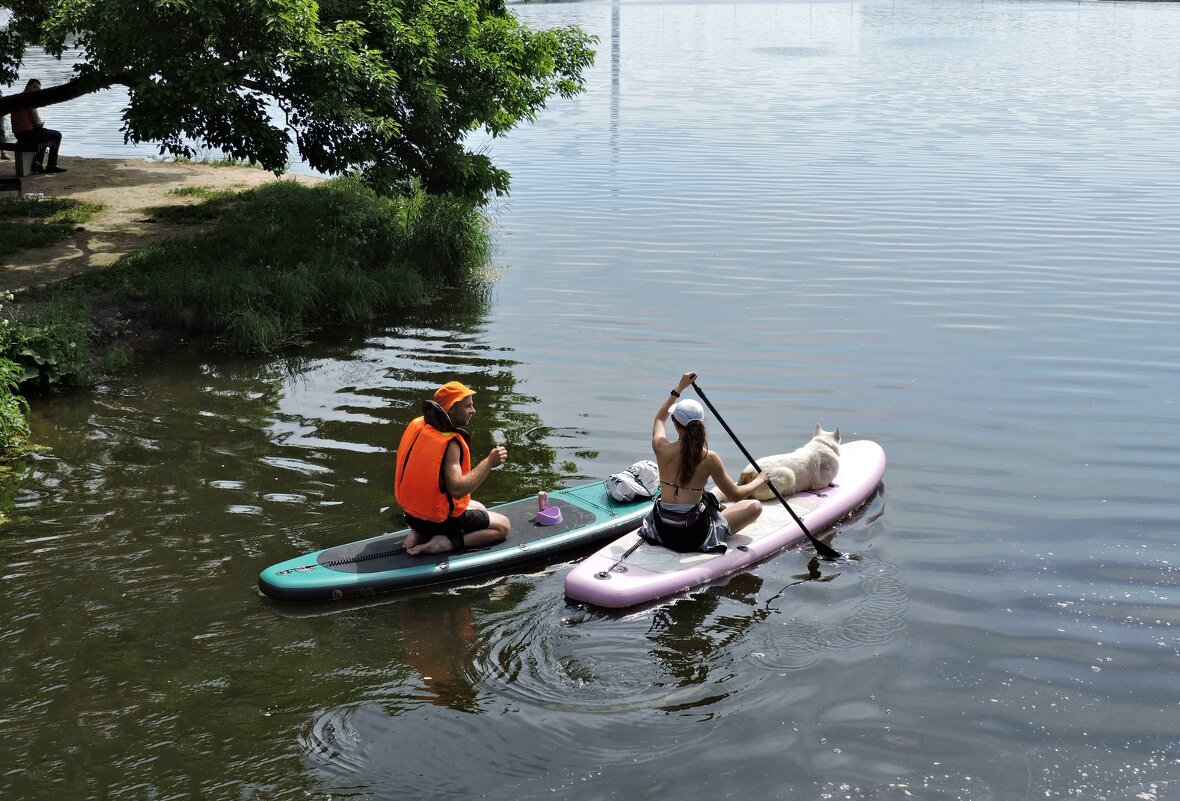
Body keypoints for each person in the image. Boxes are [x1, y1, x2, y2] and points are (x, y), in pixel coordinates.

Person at [639, 371, 769, 553]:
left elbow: (659, 418)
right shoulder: (710, 458)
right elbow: (737, 496)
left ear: (675, 423)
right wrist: (760, 480)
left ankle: (712, 510)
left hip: (663, 530)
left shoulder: (660, 448)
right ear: (700, 425)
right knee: (754, 506)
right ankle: (716, 518)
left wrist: (679, 388)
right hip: (693, 536)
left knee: (706, 498)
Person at [394, 381, 511, 555]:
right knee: (503, 526)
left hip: (412, 516)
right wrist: (489, 463)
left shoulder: (419, 425)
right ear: (450, 410)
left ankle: (419, 533)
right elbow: (457, 489)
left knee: (479, 508)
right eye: (468, 406)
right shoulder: (450, 443)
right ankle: (445, 542)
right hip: (436, 520)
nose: (473, 410)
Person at [10, 79, 66, 174]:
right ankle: (51, 165)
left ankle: (38, 164)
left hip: (18, 135)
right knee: (57, 135)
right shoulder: (30, 100)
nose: (36, 90)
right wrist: (40, 125)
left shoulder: (16, 98)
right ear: (28, 86)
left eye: (38, 89)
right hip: (28, 134)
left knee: (43, 136)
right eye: (35, 87)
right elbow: (37, 122)